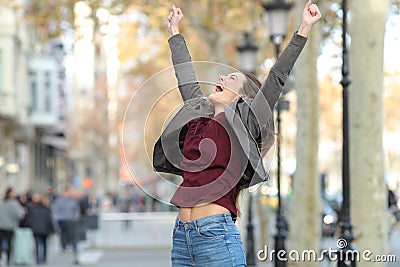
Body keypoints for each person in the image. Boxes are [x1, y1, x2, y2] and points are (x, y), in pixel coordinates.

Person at [152, 1, 321, 266]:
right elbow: (185, 77)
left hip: (216, 237)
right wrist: (174, 32)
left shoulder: (245, 124)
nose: (221, 77)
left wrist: (303, 28)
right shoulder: (198, 117)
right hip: (181, 238)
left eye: (231, 79)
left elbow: (277, 76)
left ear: (243, 97)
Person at [0, 187, 25, 266]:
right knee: (10, 243)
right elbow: (20, 215)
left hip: (1, 226)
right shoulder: (14, 203)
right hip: (10, 226)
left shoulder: (1, 202)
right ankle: (7, 260)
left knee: (0, 243)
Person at [29, 193, 55, 265]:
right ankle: (43, 259)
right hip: (45, 229)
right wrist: (52, 230)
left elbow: (31, 220)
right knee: (44, 244)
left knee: (37, 244)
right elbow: (49, 221)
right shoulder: (47, 210)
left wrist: (32, 227)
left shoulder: (34, 209)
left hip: (36, 229)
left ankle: (37, 259)